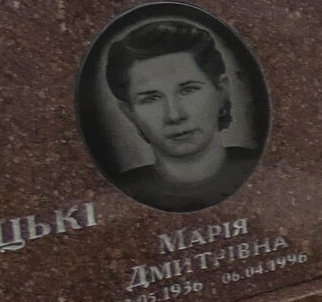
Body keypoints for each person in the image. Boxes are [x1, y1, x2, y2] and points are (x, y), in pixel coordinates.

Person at [100, 19, 259, 212]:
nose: (174, 115)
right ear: (129, 113)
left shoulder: (263, 168)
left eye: (188, 90)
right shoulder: (116, 197)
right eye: (151, 99)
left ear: (221, 91)